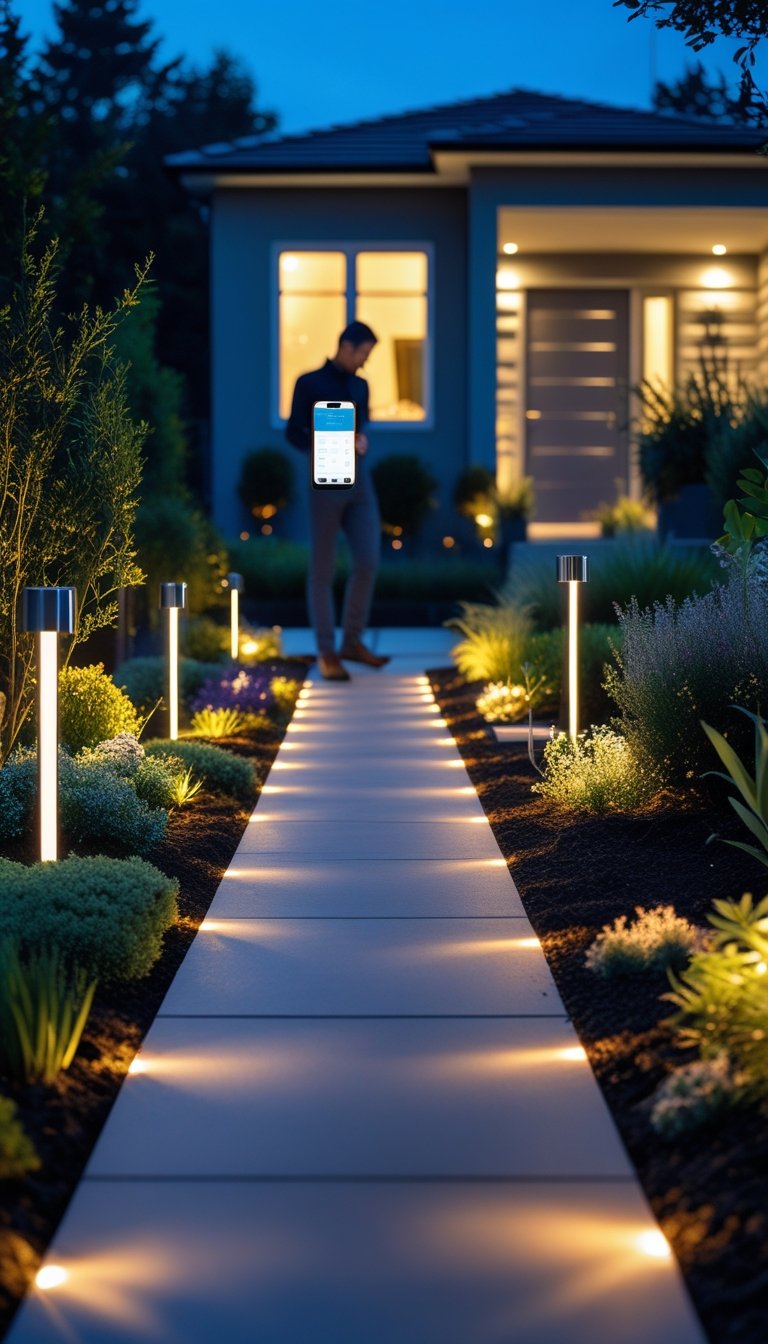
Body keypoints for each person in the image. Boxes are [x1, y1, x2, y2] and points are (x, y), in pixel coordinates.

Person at [285, 320, 390, 681]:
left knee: (368, 560)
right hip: (326, 480)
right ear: (346, 345)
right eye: (363, 353)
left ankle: (352, 642)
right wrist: (322, 443)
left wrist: (361, 440)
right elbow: (293, 432)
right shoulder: (309, 383)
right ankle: (328, 651)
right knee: (323, 568)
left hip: (359, 481)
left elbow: (363, 427)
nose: (364, 361)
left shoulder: (361, 386)